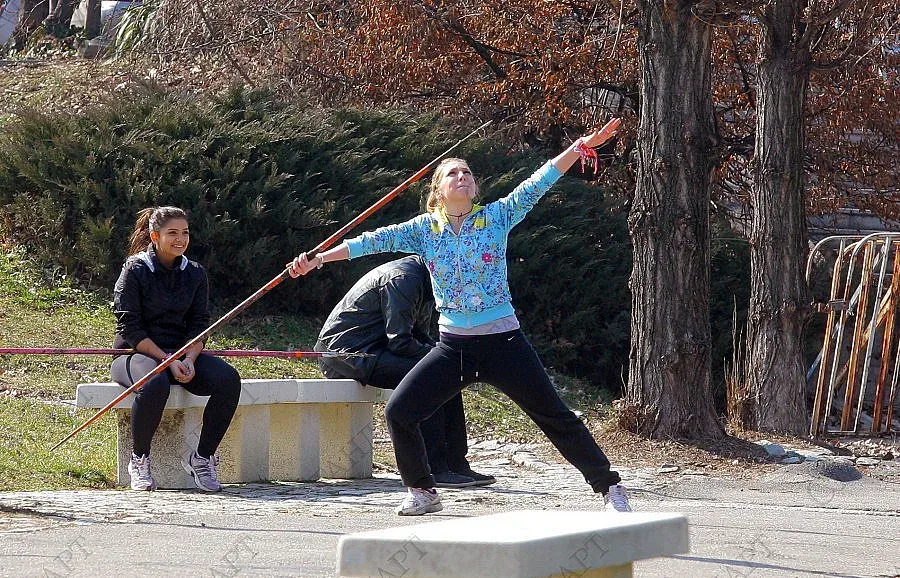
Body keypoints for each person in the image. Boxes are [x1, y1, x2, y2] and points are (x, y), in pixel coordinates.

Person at [289, 124, 632, 516]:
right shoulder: (424, 231)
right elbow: (370, 241)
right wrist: (318, 259)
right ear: (437, 191)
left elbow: (539, 182)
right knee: (400, 412)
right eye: (453, 173)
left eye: (468, 173)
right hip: (453, 348)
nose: (463, 177)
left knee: (555, 416)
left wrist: (578, 148)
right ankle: (422, 490)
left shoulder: (497, 218)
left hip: (504, 344)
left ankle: (610, 488)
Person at [315, 254, 495, 488]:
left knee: (448, 372)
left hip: (375, 349)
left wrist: (452, 358)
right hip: (347, 355)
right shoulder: (403, 279)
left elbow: (418, 336)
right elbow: (400, 341)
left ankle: (456, 463)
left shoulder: (424, 280)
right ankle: (435, 468)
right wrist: (443, 358)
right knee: (434, 376)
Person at [112, 206, 241, 492]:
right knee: (154, 383)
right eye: (172, 233)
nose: (180, 239)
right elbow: (130, 328)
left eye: (185, 232)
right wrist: (167, 359)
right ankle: (140, 459)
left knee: (228, 379)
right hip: (136, 354)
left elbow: (200, 325)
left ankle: (203, 458)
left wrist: (190, 359)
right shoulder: (134, 270)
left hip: (182, 355)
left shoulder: (195, 273)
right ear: (154, 235)